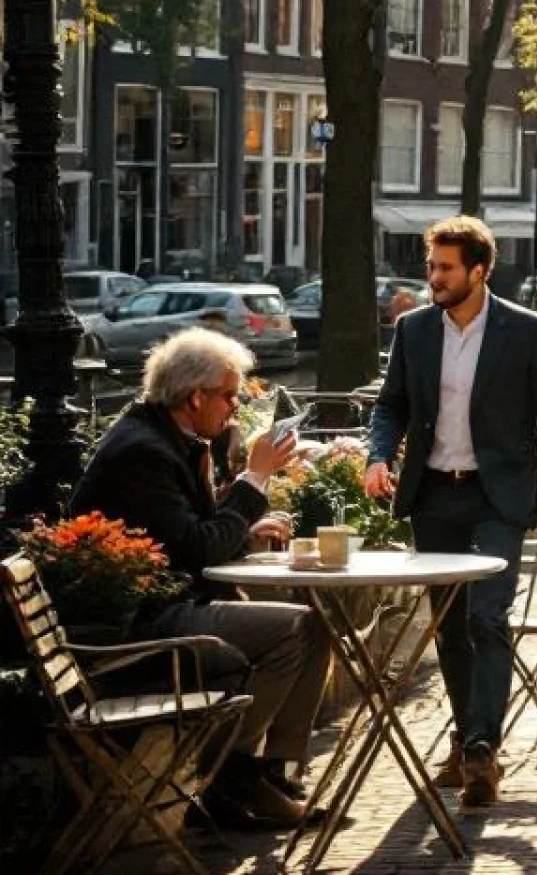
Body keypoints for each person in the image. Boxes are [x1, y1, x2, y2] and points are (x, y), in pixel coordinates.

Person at [69, 328, 331, 830]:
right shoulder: (144, 452)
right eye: (229, 396)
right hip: (135, 629)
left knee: (313, 623)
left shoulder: (171, 439)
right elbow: (197, 549)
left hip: (166, 604)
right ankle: (231, 778)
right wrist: (254, 481)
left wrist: (246, 527)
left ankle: (270, 774)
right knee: (294, 630)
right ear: (195, 397)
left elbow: (192, 534)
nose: (235, 408)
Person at [365, 216, 537, 809]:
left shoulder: (524, 329)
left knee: (487, 619)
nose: (432, 277)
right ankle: (466, 739)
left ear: (478, 271)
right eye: (431, 266)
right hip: (433, 497)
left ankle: (483, 747)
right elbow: (392, 405)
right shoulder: (413, 330)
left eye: (444, 268)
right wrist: (377, 456)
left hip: (496, 497)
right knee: (450, 628)